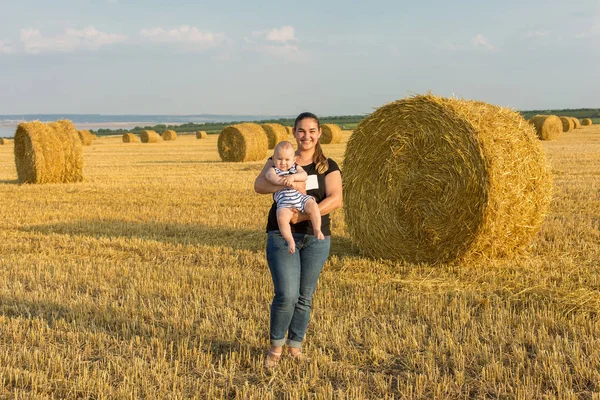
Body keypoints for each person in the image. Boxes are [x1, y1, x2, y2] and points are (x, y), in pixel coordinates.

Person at [254, 112, 343, 368]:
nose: (307, 136)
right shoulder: (279, 160)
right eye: (301, 131)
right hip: (282, 235)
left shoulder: (328, 166)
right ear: (294, 132)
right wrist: (286, 184)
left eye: (312, 130)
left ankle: (295, 345)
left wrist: (302, 216)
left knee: (305, 297)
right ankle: (275, 348)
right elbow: (259, 185)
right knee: (286, 295)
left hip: (316, 237)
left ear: (320, 133)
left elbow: (335, 199)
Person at [265, 140, 325, 254]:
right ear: (273, 158)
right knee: (282, 218)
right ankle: (290, 240)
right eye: (279, 159)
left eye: (287, 159)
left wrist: (292, 178)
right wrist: (283, 181)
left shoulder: (295, 168)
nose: (283, 162)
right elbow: (270, 177)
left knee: (313, 206)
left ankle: (317, 229)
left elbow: (304, 176)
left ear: (294, 160)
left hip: (300, 198)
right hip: (284, 202)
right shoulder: (273, 170)